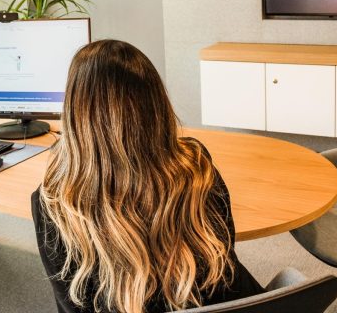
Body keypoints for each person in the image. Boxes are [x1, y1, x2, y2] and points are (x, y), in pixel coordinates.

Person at [32, 39, 264, 313]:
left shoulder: (52, 202)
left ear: (76, 114)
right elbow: (225, 250)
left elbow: (73, 306)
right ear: (157, 106)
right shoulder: (195, 165)